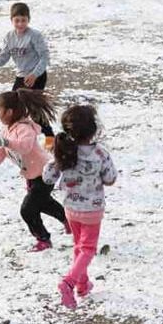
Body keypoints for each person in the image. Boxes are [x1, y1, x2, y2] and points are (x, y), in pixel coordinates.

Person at [0, 89, 67, 252]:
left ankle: (43, 239)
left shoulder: (24, 129)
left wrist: (6, 142)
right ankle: (68, 220)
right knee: (43, 203)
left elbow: (24, 147)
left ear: (9, 112)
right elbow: (0, 154)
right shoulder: (7, 130)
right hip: (32, 175)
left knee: (27, 210)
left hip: (45, 173)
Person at [42, 105, 116, 308]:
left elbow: (48, 178)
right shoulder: (100, 153)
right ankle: (69, 282)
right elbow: (110, 178)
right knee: (88, 249)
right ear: (93, 129)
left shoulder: (65, 151)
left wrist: (55, 159)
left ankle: (83, 285)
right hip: (92, 209)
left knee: (79, 247)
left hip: (70, 208)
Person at [0, 2, 54, 140]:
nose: (20, 24)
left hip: (37, 76)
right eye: (17, 20)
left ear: (28, 19)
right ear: (11, 20)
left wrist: (34, 74)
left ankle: (50, 137)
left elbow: (45, 58)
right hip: (21, 76)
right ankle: (16, 136)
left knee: (34, 110)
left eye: (24, 20)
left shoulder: (34, 35)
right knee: (12, 106)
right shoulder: (9, 37)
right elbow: (2, 59)